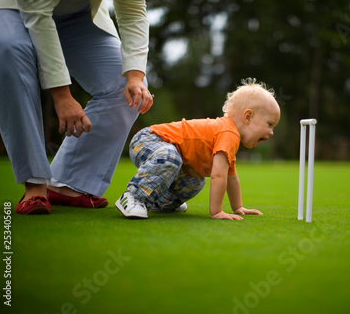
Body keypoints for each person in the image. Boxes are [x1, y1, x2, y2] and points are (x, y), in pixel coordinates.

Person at [0, 0, 152, 215]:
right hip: (16, 6)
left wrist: (136, 76)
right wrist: (62, 95)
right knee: (9, 49)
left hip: (79, 16)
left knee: (125, 85)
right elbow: (38, 15)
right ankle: (34, 183)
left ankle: (66, 184)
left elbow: (133, 10)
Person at [115, 78, 281, 220]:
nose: (272, 132)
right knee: (170, 157)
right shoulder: (228, 132)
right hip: (149, 140)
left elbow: (231, 178)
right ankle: (133, 197)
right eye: (270, 124)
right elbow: (218, 175)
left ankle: (161, 202)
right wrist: (217, 211)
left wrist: (238, 207)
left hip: (165, 151)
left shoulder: (229, 137)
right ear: (248, 116)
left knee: (195, 181)